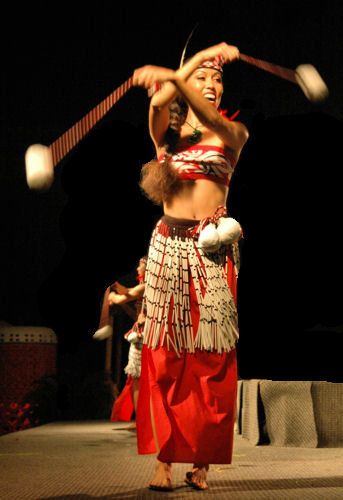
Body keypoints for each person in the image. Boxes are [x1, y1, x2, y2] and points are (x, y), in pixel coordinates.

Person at [132, 42, 249, 491]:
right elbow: (160, 101)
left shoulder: (231, 134)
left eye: (217, 78)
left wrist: (181, 72)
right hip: (166, 251)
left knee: (211, 361)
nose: (212, 85)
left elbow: (204, 110)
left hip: (211, 254)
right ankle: (164, 459)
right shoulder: (166, 136)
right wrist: (197, 60)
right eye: (204, 77)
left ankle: (201, 459)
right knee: (163, 359)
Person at [108, 256, 147, 421]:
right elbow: (126, 292)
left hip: (143, 336)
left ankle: (142, 419)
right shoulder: (146, 286)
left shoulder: (147, 286)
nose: (137, 269)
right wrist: (115, 286)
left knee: (137, 378)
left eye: (140, 266)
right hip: (144, 333)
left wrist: (113, 298)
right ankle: (143, 418)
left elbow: (124, 296)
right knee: (137, 378)